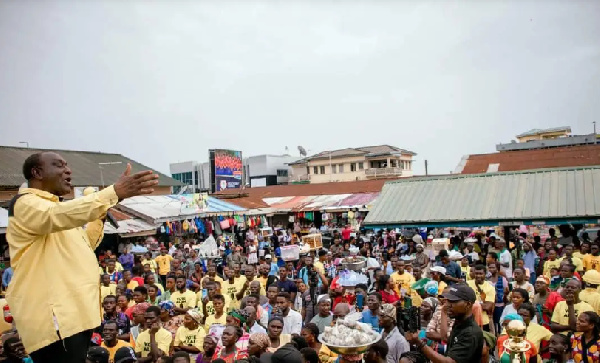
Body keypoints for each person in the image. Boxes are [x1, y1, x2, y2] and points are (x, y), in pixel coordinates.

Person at [7, 154, 158, 362]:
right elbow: (56, 215)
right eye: (59, 165)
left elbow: (85, 244)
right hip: (55, 320)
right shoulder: (26, 204)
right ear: (37, 173)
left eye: (67, 165)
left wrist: (101, 213)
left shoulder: (58, 210)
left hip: (74, 317)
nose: (68, 170)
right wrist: (112, 193)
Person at [405, 284, 484, 363]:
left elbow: (449, 362)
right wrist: (444, 312)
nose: (447, 305)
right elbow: (444, 338)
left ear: (468, 304)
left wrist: (419, 342)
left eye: (453, 301)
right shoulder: (459, 323)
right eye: (448, 301)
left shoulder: (470, 333)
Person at [467, 264, 496, 331]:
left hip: (483, 321)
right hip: (468, 319)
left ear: (485, 274)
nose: (478, 276)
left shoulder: (490, 288)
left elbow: (488, 306)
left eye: (481, 274)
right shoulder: (467, 284)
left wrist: (470, 304)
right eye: (476, 273)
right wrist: (481, 304)